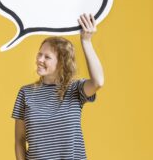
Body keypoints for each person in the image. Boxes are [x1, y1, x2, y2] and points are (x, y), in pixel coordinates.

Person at [12, 14, 104, 160]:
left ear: (62, 63)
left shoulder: (75, 89)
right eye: (39, 54)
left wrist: (86, 41)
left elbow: (98, 82)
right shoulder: (26, 93)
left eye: (47, 57)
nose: (39, 60)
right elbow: (19, 140)